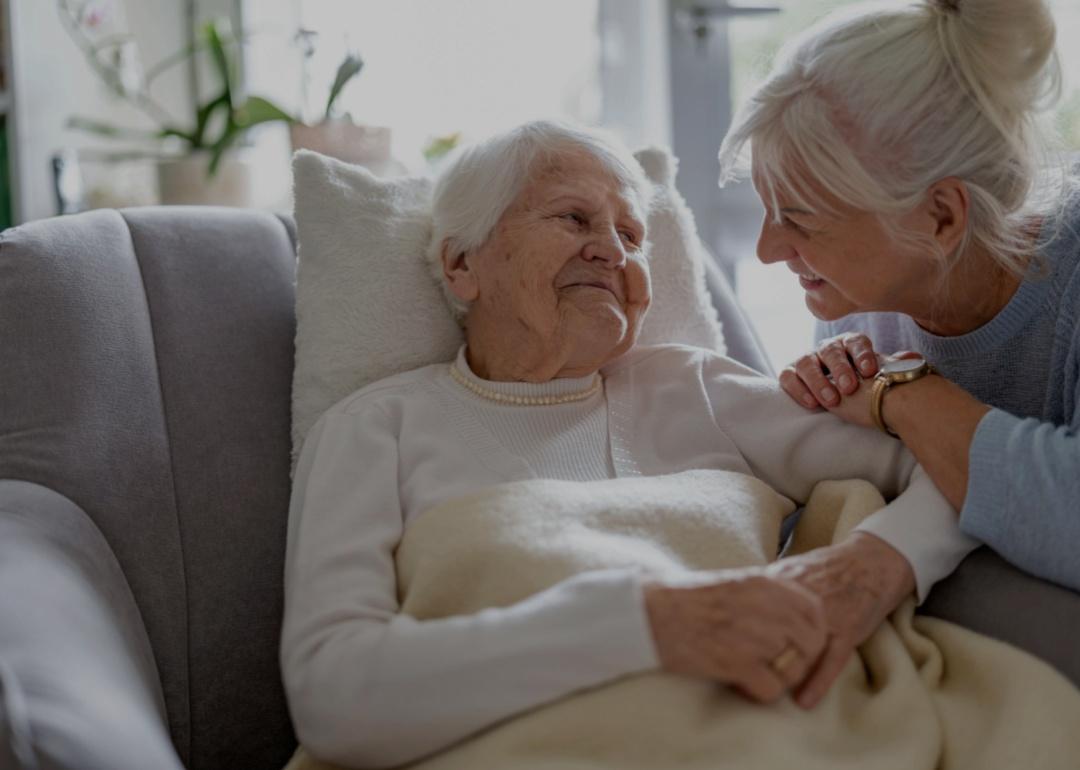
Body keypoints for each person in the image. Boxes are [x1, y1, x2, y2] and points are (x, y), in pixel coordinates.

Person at [281, 121, 974, 769]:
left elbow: (956, 470)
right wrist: (642, 624)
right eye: (573, 219)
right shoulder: (375, 428)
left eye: (633, 235)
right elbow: (333, 695)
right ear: (462, 265)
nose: (614, 251)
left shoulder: (693, 386)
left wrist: (878, 565)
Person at [718, 0, 1080, 592]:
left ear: (940, 217)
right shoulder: (855, 295)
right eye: (767, 207)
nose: (765, 249)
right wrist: (830, 410)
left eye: (800, 219)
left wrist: (902, 396)